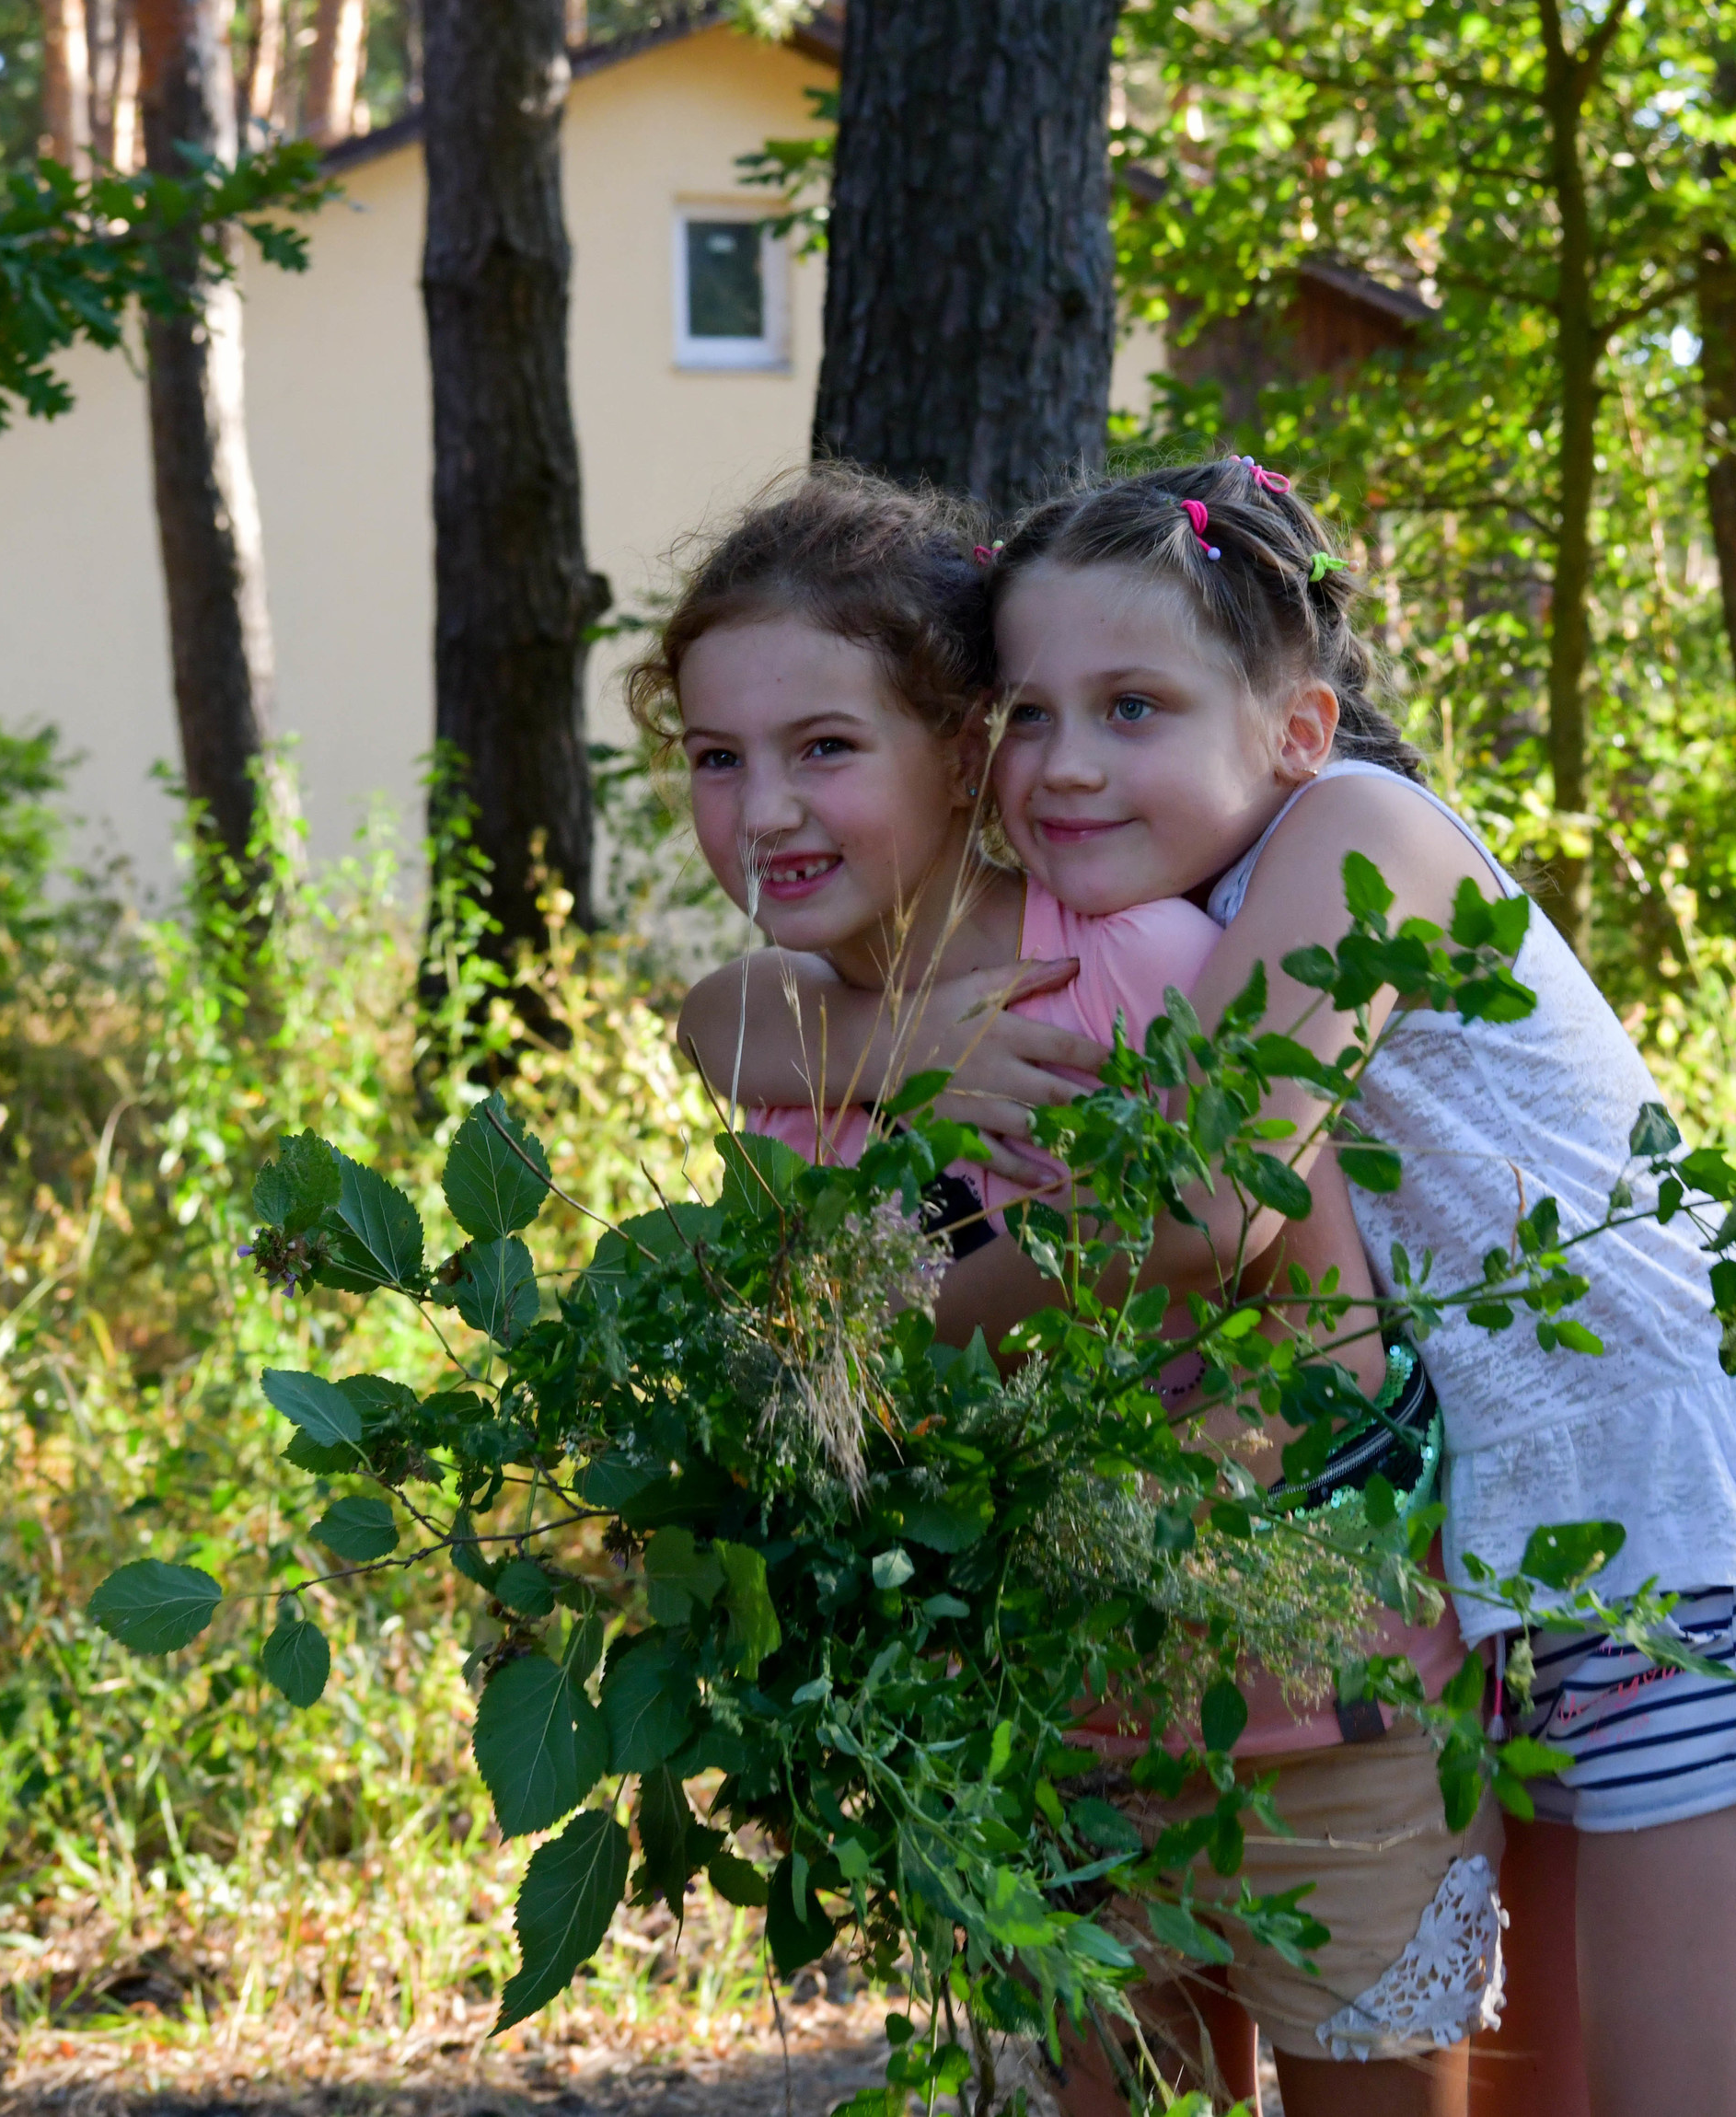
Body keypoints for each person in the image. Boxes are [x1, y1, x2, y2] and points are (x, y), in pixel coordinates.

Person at [709, 456, 1736, 2117]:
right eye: (1036, 717)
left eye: (1134, 707)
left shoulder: (1361, 832)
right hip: (1513, 1564)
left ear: (1296, 725)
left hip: (1702, 1531)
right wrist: (856, 1033)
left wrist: (829, 1328)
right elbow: (725, 1012)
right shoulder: (1160, 905)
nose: (1069, 765)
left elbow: (1213, 1200)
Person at [649, 466, 1498, 2117]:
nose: (764, 814)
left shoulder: (1133, 963)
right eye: (713, 760)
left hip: (1321, 1702)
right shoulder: (790, 1059)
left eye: (824, 748)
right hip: (1036, 1730)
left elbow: (1273, 1276)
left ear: (965, 750)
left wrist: (841, 1316)